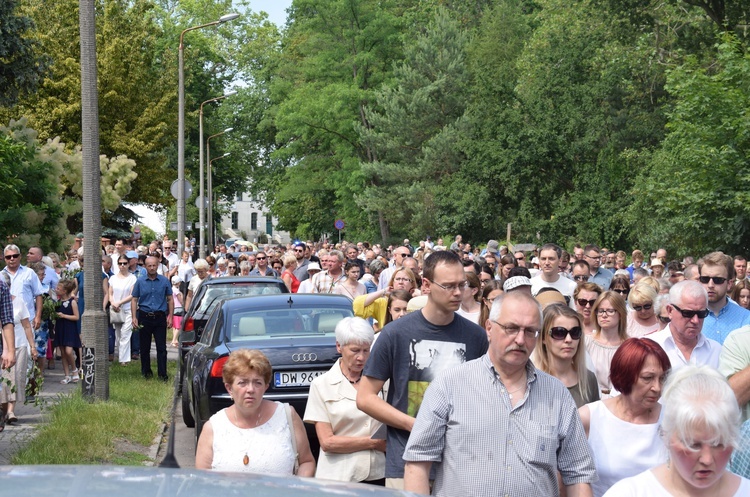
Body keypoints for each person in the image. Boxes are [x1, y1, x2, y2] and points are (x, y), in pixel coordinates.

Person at [403, 291, 596, 496]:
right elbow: (417, 463)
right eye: (511, 328)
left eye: (530, 331)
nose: (520, 339)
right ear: (489, 328)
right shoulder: (450, 385)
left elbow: (578, 474)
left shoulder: (557, 395)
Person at [357, 250, 489, 489]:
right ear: (426, 285)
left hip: (460, 463)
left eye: (462, 284)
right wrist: (413, 424)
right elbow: (365, 398)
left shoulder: (476, 336)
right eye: (449, 286)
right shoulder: (395, 333)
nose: (458, 292)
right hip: (406, 460)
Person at [603, 366, 750, 496]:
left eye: (719, 444)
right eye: (693, 445)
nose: (707, 459)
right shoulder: (630, 493)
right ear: (666, 436)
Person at [195, 349, 315, 476]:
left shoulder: (286, 416)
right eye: (243, 383)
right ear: (229, 388)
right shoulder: (213, 427)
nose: (250, 389)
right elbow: (203, 480)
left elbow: (306, 462)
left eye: (257, 383)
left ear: (265, 387)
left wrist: (298, 489)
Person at [580, 338, 670, 496]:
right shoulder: (589, 417)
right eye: (647, 378)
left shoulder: (673, 420)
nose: (657, 388)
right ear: (625, 374)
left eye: (662, 379)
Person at [303, 317, 386, 483]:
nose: (361, 357)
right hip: (339, 478)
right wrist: (373, 443)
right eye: (355, 351)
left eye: (366, 350)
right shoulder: (321, 385)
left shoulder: (383, 381)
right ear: (339, 346)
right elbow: (328, 442)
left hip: (379, 473)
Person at [533, 303, 599, 408]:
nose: (568, 340)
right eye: (559, 332)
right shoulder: (531, 380)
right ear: (543, 337)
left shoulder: (588, 379)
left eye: (575, 332)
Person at [649, 280, 721, 371]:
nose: (695, 320)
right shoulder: (649, 347)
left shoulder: (716, 351)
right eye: (687, 313)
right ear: (670, 311)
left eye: (701, 314)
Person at [131, 256, 173, 381]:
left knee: (161, 348)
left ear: (158, 265)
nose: (152, 268)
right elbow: (134, 299)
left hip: (160, 317)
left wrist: (170, 315)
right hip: (144, 316)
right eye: (149, 265)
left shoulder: (164, 281)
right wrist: (134, 317)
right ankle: (146, 373)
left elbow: (170, 299)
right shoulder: (140, 281)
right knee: (144, 347)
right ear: (145, 266)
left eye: (154, 265)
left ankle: (162, 374)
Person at [0, 291, 36, 425]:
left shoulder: (18, 302)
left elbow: (27, 326)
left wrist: (32, 346)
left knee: (16, 378)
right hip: (3, 348)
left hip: (19, 345)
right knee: (4, 379)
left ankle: (10, 411)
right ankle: (3, 412)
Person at [699, 251, 750, 344]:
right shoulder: (689, 317)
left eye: (717, 280)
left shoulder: (746, 318)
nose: (710, 285)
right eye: (705, 279)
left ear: (730, 284)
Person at [585, 291, 628, 397]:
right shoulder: (586, 342)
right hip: (591, 397)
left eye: (610, 311)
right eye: (600, 311)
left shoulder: (629, 346)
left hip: (621, 400)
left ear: (620, 314)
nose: (604, 315)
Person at [109, 255, 137, 365]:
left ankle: (124, 360)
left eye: (125, 263)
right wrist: (113, 303)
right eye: (120, 263)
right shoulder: (113, 278)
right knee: (118, 334)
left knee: (126, 334)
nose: (122, 266)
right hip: (116, 310)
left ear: (128, 264)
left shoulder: (132, 278)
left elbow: (132, 295)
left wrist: (119, 303)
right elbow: (110, 293)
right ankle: (121, 356)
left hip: (128, 309)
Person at [55, 279, 80, 384]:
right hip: (60, 328)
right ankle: (66, 375)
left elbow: (76, 317)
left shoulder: (72, 302)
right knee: (63, 353)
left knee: (69, 351)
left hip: (69, 328)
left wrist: (64, 316)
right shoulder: (57, 302)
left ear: (64, 291)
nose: (56, 290)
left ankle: (74, 370)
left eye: (58, 288)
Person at [170, 276, 183, 347]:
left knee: (174, 326)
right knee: (179, 326)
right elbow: (180, 300)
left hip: (173, 308)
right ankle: (174, 340)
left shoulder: (171, 289)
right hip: (178, 308)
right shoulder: (177, 291)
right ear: (178, 283)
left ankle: (175, 340)